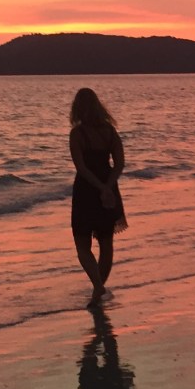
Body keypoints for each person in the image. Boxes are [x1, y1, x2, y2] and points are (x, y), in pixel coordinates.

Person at [69, 87, 126, 305]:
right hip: (108, 186)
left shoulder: (77, 134)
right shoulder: (109, 131)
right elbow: (119, 164)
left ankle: (99, 288)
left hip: (86, 190)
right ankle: (98, 290)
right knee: (106, 244)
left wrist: (99, 187)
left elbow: (81, 167)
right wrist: (107, 186)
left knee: (82, 246)